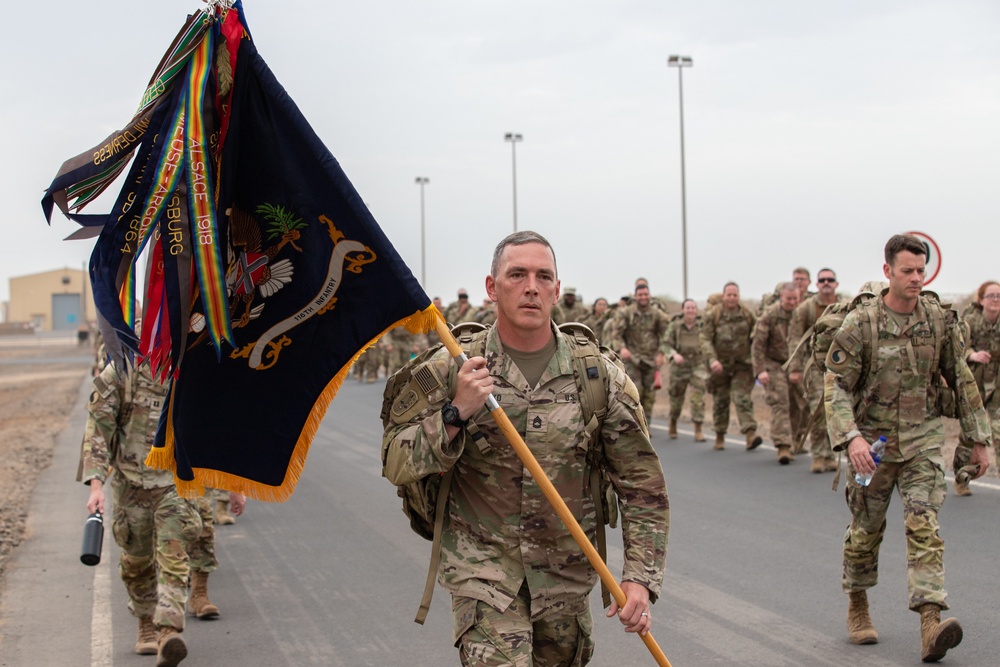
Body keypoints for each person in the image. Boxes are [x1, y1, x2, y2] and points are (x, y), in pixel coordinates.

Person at [382, 231, 669, 666]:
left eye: (543, 276)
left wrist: (640, 580)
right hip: (485, 579)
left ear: (556, 288)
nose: (531, 286)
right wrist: (456, 412)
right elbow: (395, 461)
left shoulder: (597, 376)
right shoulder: (450, 367)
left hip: (566, 581)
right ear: (492, 287)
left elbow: (642, 487)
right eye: (517, 274)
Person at [824, 234, 992, 662]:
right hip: (872, 448)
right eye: (907, 271)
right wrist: (852, 437)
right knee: (865, 532)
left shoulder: (938, 319)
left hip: (922, 442)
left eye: (921, 271)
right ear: (888, 273)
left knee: (924, 528)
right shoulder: (860, 324)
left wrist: (979, 441)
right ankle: (858, 605)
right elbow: (836, 387)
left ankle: (930, 622)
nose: (916, 278)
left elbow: (962, 380)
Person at [80, 359, 199, 667]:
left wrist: (232, 483)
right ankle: (145, 622)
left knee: (174, 557)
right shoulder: (121, 368)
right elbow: (99, 425)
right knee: (136, 561)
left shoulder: (189, 363)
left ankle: (168, 631)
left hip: (174, 482)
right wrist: (96, 486)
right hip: (130, 484)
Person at [787, 268, 844, 473]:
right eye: (822, 280)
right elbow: (794, 339)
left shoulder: (846, 305)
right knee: (818, 411)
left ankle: (831, 455)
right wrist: (795, 369)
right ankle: (818, 455)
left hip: (843, 368)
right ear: (817, 284)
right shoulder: (806, 308)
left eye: (830, 279)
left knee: (838, 411)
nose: (826, 282)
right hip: (816, 368)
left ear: (836, 283)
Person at [700, 282, 762, 450]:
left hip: (742, 365)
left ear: (739, 296)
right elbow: (705, 339)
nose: (732, 298)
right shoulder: (714, 314)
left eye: (735, 295)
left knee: (742, 397)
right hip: (719, 366)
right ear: (724, 295)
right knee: (721, 400)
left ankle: (750, 434)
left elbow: (756, 336)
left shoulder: (747, 314)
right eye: (729, 295)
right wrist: (712, 360)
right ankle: (720, 435)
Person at [952, 280, 1000, 495]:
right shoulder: (970, 320)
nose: (996, 300)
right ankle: (962, 477)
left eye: (999, 296)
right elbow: (956, 346)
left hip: (997, 382)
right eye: (991, 296)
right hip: (975, 380)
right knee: (970, 431)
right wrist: (972, 354)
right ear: (981, 300)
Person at [753, 282, 803, 464]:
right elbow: (758, 345)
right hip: (774, 363)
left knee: (799, 404)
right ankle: (783, 445)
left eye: (795, 299)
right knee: (781, 401)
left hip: (797, 362)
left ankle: (796, 439)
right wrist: (760, 371)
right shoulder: (770, 315)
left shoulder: (802, 313)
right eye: (788, 299)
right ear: (782, 297)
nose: (792, 302)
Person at [607, 284, 670, 419]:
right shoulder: (626, 313)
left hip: (651, 360)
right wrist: (622, 348)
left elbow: (666, 335)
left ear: (649, 296)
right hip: (632, 360)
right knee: (634, 393)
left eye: (645, 294)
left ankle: (647, 426)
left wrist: (661, 353)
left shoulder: (657, 314)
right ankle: (635, 426)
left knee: (649, 395)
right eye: (640, 295)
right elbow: (616, 334)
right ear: (635, 297)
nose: (643, 297)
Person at [663, 299, 708, 443]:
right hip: (679, 367)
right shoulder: (675, 326)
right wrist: (673, 355)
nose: (690, 310)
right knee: (676, 398)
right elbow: (665, 344)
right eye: (688, 308)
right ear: (683, 310)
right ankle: (673, 422)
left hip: (697, 366)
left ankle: (698, 429)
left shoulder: (703, 325)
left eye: (693, 308)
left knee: (698, 398)